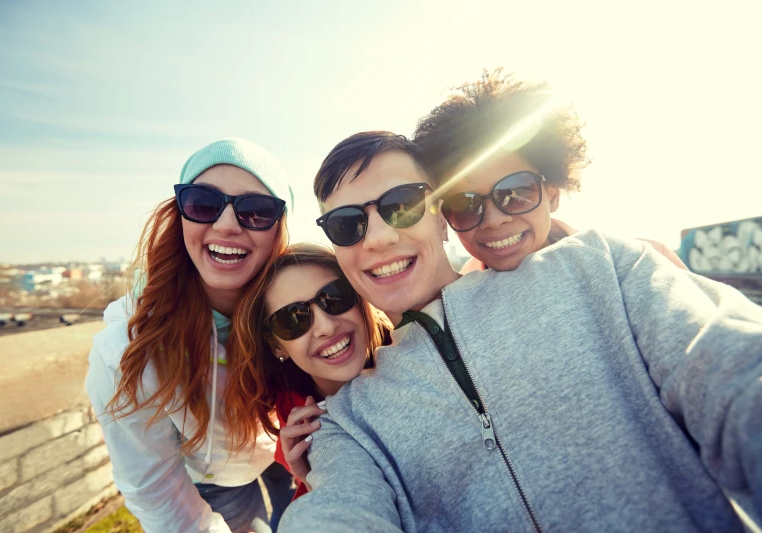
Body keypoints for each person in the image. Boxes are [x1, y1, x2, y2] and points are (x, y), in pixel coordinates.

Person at [278, 131, 762, 532]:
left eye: (402, 204)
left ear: (443, 217)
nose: (379, 237)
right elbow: (339, 512)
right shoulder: (350, 421)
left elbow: (730, 370)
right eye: (346, 225)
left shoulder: (599, 268)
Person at [86, 138, 296, 533]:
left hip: (283, 447)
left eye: (256, 211)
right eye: (203, 203)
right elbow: (156, 491)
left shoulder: (298, 308)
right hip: (219, 478)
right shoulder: (130, 346)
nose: (227, 224)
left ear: (279, 230)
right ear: (180, 214)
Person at [413, 68, 688, 273]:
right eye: (465, 205)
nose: (494, 220)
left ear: (553, 194)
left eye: (515, 192)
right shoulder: (457, 308)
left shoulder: (644, 262)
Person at [230, 243, 389, 500]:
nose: (326, 327)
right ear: (276, 345)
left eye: (335, 297)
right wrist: (311, 480)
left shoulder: (421, 360)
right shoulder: (294, 415)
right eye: (293, 319)